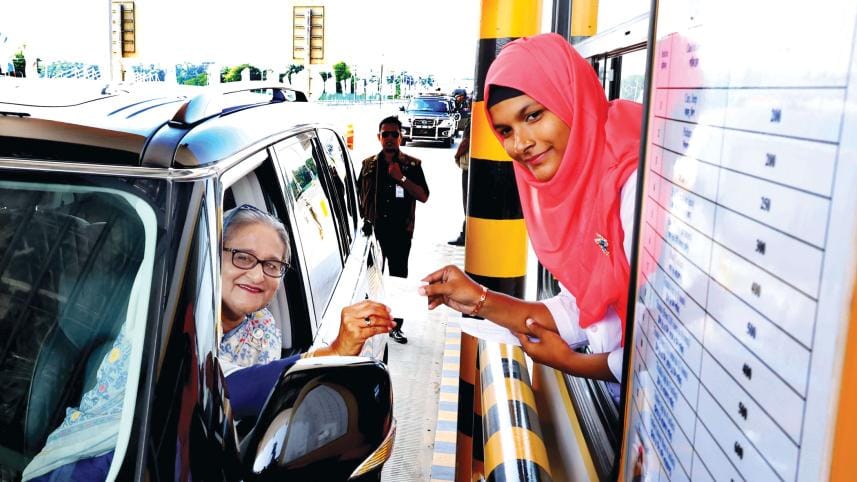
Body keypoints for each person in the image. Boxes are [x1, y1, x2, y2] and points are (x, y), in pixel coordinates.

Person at [23, 204, 395, 481]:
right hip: (99, 459)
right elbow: (218, 385)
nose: (257, 274)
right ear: (210, 254)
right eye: (242, 256)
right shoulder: (162, 304)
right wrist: (331, 352)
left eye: (272, 265)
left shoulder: (263, 327)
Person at [420, 33, 642, 400]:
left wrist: (573, 363)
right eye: (506, 131)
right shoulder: (583, 186)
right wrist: (478, 299)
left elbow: (667, 349)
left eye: (533, 116)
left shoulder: (636, 186)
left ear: (572, 100)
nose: (520, 144)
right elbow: (581, 308)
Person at [358, 116, 430, 344]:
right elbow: (358, 194)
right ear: (379, 137)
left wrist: (402, 179)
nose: (389, 138)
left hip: (400, 232)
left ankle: (396, 326)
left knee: (399, 279)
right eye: (385, 134)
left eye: (394, 134)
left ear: (401, 137)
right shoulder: (368, 164)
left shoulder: (412, 165)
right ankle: (372, 323)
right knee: (372, 279)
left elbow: (423, 196)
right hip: (374, 233)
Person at [448, 117, 470, 247]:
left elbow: (466, 141)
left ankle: (466, 236)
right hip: (475, 167)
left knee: (467, 203)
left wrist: (457, 155)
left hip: (469, 167)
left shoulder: (475, 118)